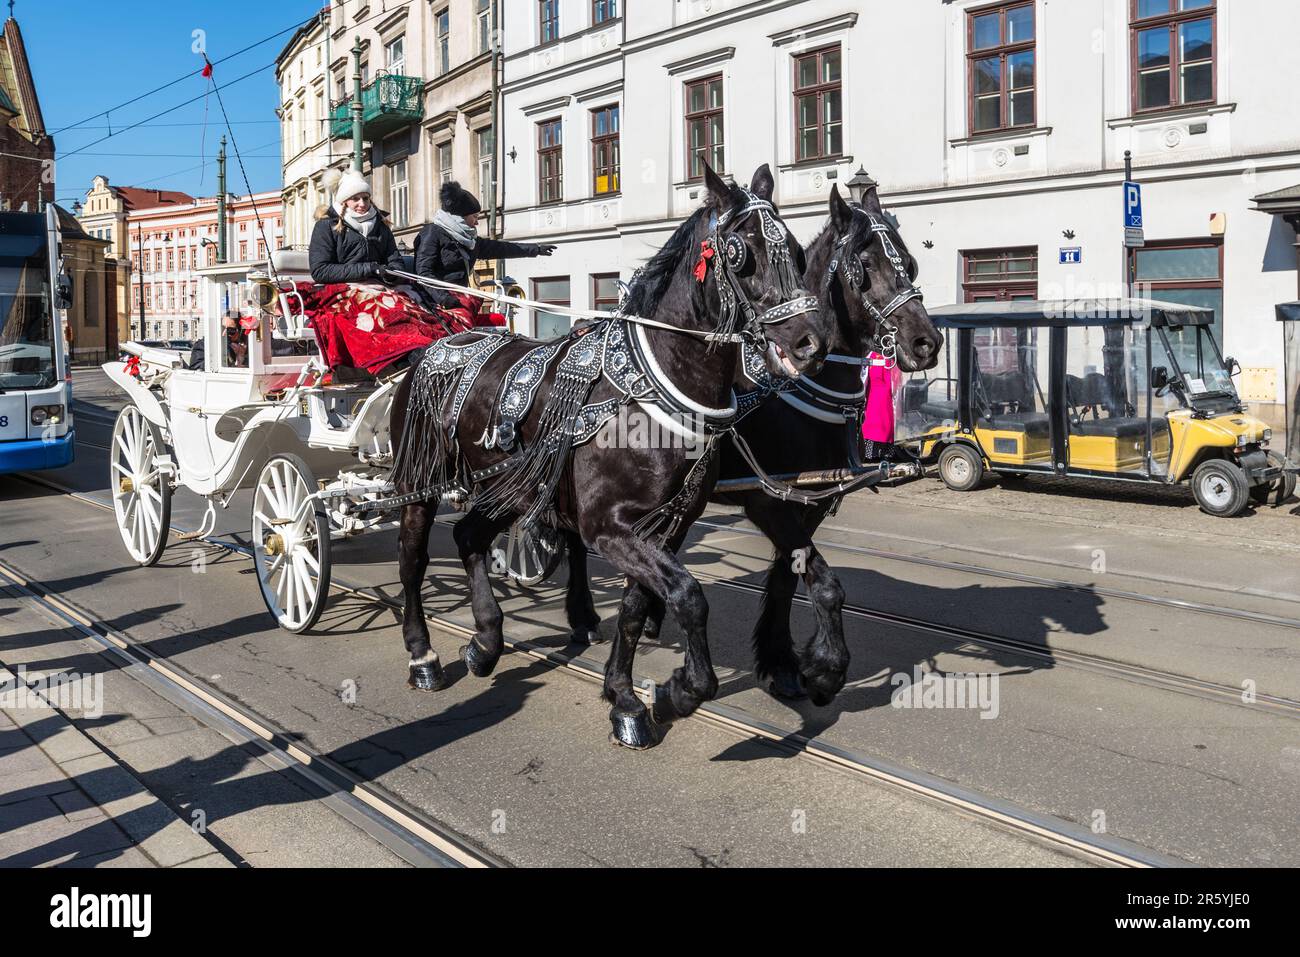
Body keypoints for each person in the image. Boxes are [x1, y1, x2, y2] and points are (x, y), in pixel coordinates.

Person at [413, 181, 555, 308]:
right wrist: (444, 299)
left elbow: (502, 249)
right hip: (433, 303)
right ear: (461, 216)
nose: (476, 222)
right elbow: (424, 273)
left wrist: (536, 249)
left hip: (458, 299)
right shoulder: (432, 233)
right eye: (474, 217)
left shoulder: (469, 240)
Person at [308, 169, 404, 285]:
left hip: (380, 286)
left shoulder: (381, 224)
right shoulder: (326, 225)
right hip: (342, 288)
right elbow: (320, 271)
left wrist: (392, 274)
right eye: (355, 199)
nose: (362, 204)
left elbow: (395, 260)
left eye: (365, 198)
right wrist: (369, 269)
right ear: (344, 201)